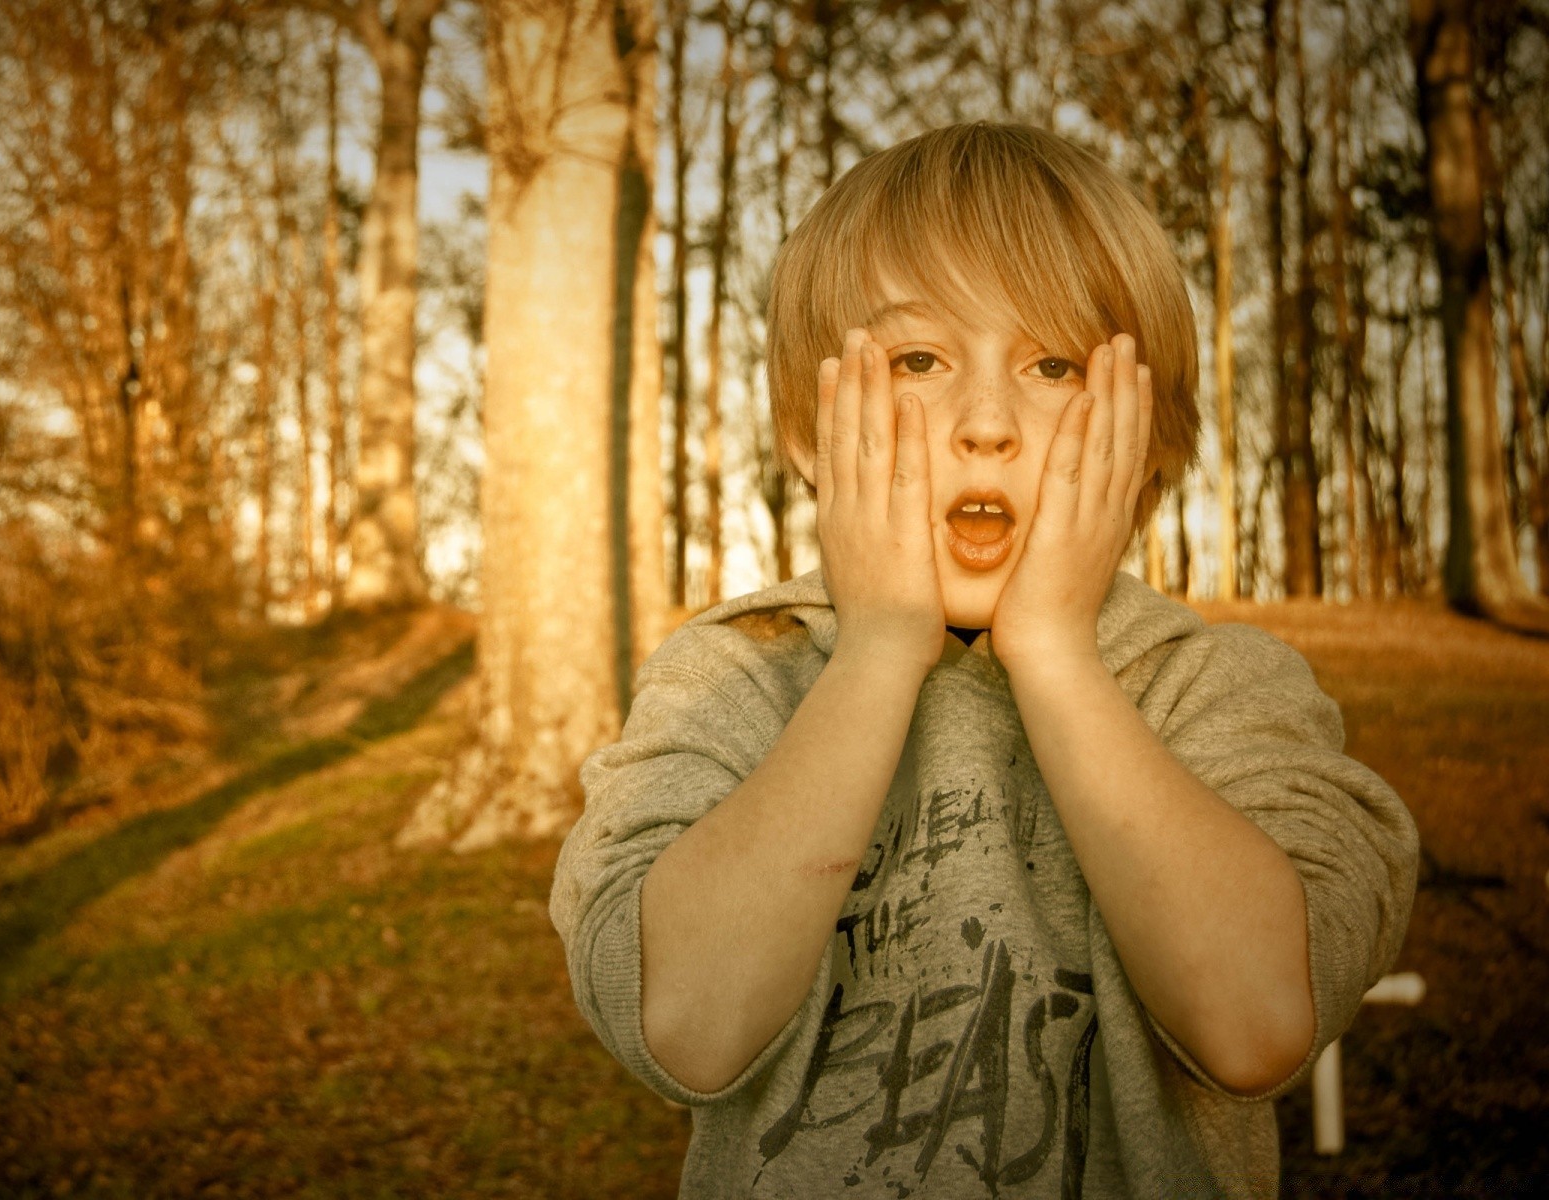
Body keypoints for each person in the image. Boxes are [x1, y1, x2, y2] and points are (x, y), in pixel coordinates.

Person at [547, 122, 1419, 1199]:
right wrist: (876, 650)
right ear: (813, 433)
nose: (989, 423)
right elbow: (684, 1026)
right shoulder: (736, 674)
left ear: (1148, 439)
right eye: (919, 359)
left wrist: (1053, 650)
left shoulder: (1221, 689)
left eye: (1053, 363)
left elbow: (1255, 1028)